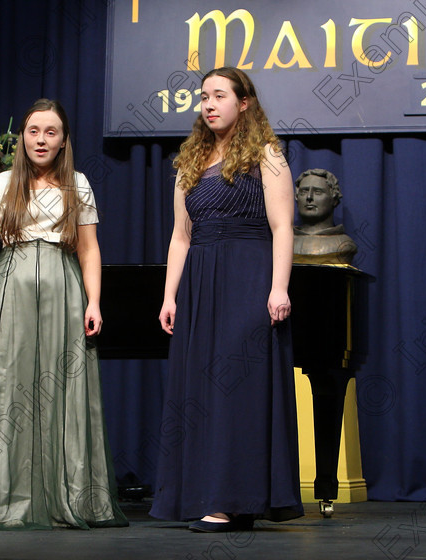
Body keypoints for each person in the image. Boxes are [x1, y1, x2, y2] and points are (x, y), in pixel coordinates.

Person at [0, 99, 128, 530]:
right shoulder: (1, 184)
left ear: (64, 140)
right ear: (23, 137)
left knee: (62, 388)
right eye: (34, 131)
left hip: (64, 292)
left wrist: (93, 301)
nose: (41, 140)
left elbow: (88, 249)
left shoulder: (79, 184)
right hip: (9, 288)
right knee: (7, 386)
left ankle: (71, 497)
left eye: (51, 132)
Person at [150, 68, 304, 532]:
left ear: (245, 103)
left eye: (219, 95)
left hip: (247, 277)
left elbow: (282, 227)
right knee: (199, 392)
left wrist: (279, 287)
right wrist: (169, 295)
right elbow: (181, 236)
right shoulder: (190, 162)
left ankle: (231, 500)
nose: (209, 104)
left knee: (236, 390)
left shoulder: (267, 156)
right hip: (200, 283)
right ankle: (209, 496)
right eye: (203, 97)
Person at [293, 168, 358, 265]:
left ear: (334, 199)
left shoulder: (344, 245)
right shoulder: (284, 243)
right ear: (297, 197)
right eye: (304, 192)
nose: (309, 197)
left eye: (318, 192)